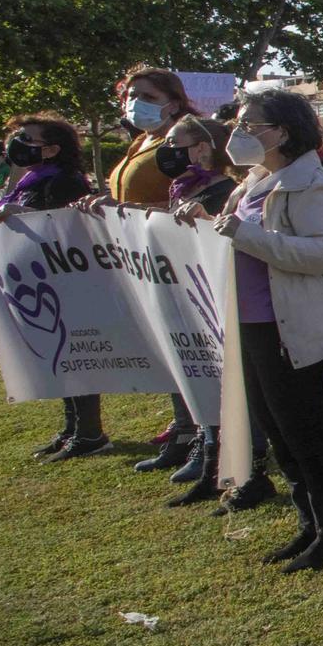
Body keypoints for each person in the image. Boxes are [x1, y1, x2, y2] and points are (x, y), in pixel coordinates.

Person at [176, 91, 323, 572]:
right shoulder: (254, 183)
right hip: (252, 327)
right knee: (280, 435)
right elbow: (232, 235)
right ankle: (310, 525)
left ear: (283, 131)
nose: (239, 133)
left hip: (292, 330)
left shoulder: (309, 185)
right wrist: (203, 223)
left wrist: (242, 234)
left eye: (251, 124)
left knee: (307, 435)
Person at [150, 117, 279, 513]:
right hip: (198, 300)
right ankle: (212, 465)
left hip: (231, 303)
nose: (166, 149)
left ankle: (248, 472)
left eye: (177, 142)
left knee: (239, 391)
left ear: (203, 147)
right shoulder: (191, 188)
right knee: (207, 381)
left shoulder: (227, 188)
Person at [85, 66, 204, 472]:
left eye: (147, 96)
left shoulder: (186, 141)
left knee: (188, 349)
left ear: (173, 101)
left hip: (176, 259)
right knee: (168, 351)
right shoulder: (142, 141)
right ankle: (184, 428)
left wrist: (130, 211)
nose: (135, 102)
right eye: (130, 94)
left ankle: (198, 435)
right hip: (142, 261)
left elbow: (196, 197)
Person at [0, 115, 103, 461]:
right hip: (39, 283)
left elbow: (65, 227)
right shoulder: (31, 181)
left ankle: (89, 431)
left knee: (75, 356)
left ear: (52, 149)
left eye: (28, 138)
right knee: (59, 355)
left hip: (64, 282)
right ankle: (72, 427)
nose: (17, 143)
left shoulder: (65, 182)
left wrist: (22, 213)